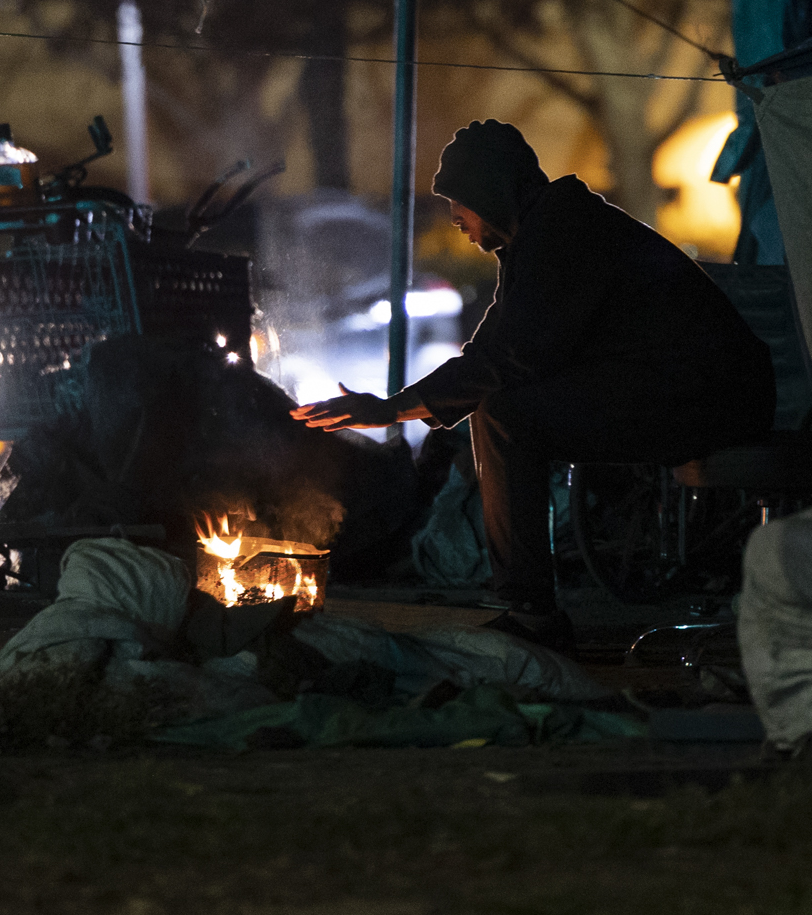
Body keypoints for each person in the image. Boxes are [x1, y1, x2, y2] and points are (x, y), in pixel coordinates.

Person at [290, 120, 775, 651]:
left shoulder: (566, 232)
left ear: (492, 192)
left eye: (461, 201)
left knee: (504, 414)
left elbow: (515, 354)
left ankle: (532, 614)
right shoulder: (541, 235)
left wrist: (396, 410)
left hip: (709, 397)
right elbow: (492, 348)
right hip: (681, 389)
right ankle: (527, 605)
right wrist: (395, 407)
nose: (453, 217)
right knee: (498, 405)